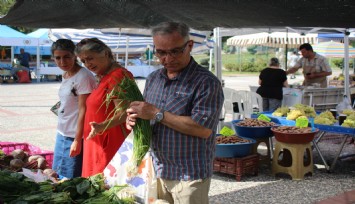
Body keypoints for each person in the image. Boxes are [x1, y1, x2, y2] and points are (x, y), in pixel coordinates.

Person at [126, 22, 224, 204]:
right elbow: (147, 116)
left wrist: (156, 113)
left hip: (189, 174)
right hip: (157, 168)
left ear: (190, 46)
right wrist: (135, 118)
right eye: (161, 52)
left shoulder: (206, 82)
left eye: (175, 51)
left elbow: (202, 129)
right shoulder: (154, 79)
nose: (168, 58)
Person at [75, 38, 133, 177]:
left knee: (103, 186)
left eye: (90, 58)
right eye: (83, 61)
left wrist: (102, 126)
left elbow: (125, 113)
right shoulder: (104, 76)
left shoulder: (118, 76)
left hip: (108, 143)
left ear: (106, 53)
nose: (87, 64)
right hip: (96, 141)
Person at [51, 39, 97, 178]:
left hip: (74, 135)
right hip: (62, 132)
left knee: (69, 180)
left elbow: (84, 109)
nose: (62, 62)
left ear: (75, 56)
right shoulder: (66, 74)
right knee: (56, 175)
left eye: (66, 57)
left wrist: (77, 140)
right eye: (58, 58)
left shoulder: (83, 77)